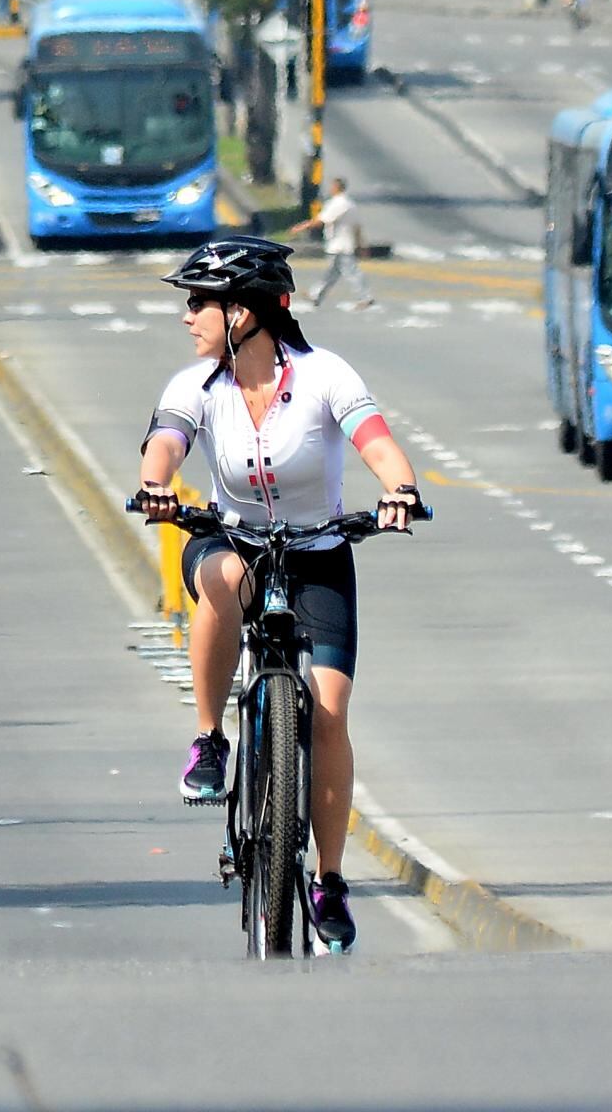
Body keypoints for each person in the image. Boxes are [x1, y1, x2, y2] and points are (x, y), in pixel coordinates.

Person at [133, 237, 423, 955]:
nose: (188, 315)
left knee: (327, 713)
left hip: (317, 555)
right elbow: (165, 443)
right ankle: (208, 742)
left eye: (199, 301)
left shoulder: (324, 376)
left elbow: (375, 440)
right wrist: (157, 487)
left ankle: (326, 882)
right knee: (224, 580)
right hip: (228, 541)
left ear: (246, 313)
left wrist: (399, 489)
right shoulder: (195, 386)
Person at [304, 177, 374, 310]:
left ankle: (365, 297)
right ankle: (316, 295)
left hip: (339, 245)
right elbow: (357, 228)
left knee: (351, 272)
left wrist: (302, 226)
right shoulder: (351, 204)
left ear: (337, 187)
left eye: (332, 186)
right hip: (343, 244)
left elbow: (323, 220)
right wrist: (361, 245)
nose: (330, 189)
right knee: (332, 273)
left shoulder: (338, 203)